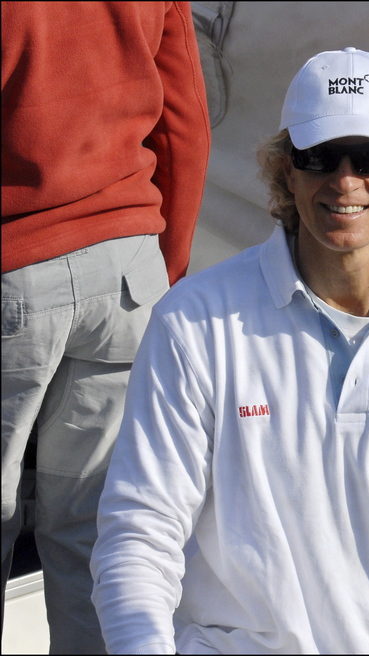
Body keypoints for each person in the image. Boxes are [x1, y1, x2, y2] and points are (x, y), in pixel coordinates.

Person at [89, 47, 369, 654]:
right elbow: (139, 536)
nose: (345, 180)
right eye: (320, 156)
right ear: (287, 172)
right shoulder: (193, 323)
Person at [1, 2, 210, 652]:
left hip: (13, 265)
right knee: (95, 535)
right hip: (128, 269)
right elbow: (184, 125)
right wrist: (163, 268)